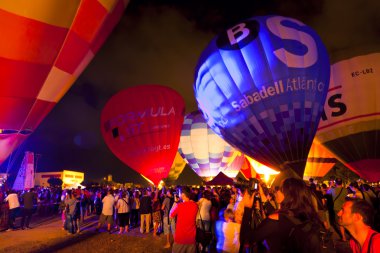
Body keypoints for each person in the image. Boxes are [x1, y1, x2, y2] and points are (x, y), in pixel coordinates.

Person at [249, 177, 323, 253]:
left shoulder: (276, 220)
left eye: (280, 189)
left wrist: (247, 208)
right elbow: (280, 216)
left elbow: (248, 239)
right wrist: (263, 197)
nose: (276, 191)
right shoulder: (302, 215)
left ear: (289, 195)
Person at [170, 186, 198, 253]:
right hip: (191, 238)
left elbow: (171, 215)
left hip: (180, 238)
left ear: (182, 194)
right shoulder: (195, 205)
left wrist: (175, 202)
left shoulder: (179, 206)